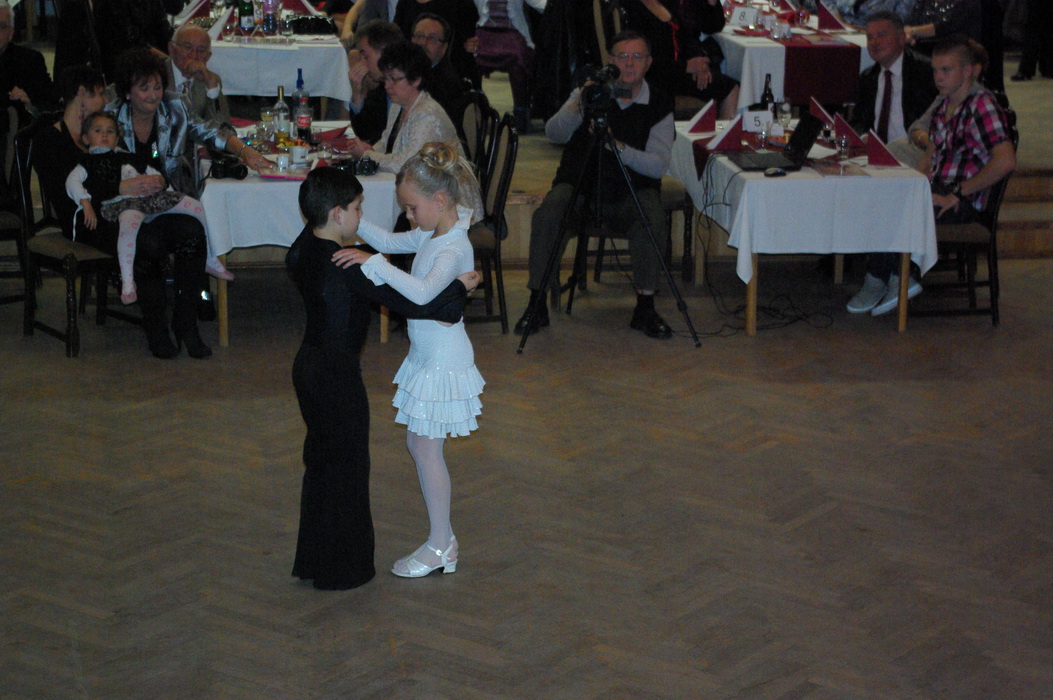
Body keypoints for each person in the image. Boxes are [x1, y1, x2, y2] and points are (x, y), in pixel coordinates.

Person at [286, 166, 479, 590]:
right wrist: (461, 288)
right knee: (348, 468)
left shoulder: (304, 249)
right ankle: (345, 569)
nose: (362, 216)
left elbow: (392, 253)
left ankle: (318, 559)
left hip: (311, 369)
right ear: (338, 214)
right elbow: (419, 304)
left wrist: (367, 251)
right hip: (338, 378)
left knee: (322, 464)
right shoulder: (350, 267)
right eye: (357, 209)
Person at [331, 143, 485, 578]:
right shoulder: (432, 233)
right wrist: (353, 220)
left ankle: (441, 545)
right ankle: (443, 540)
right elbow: (389, 240)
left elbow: (421, 295)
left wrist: (374, 264)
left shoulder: (451, 247)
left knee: (426, 449)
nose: (410, 217)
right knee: (420, 446)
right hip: (427, 355)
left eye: (413, 208)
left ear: (440, 200)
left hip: (443, 359)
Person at [104, 49, 270, 358]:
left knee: (192, 235)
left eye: (157, 87)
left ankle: (186, 323)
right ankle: (155, 327)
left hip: (168, 199)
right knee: (149, 244)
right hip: (125, 204)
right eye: (144, 89)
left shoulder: (175, 106)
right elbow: (91, 163)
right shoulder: (109, 115)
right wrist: (121, 185)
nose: (153, 95)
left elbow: (211, 131)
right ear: (127, 92)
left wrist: (245, 151)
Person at [514, 30, 675, 339]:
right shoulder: (588, 93)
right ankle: (536, 303)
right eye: (622, 56)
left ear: (648, 62)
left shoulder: (659, 103)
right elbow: (553, 133)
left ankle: (645, 306)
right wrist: (578, 104)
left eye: (637, 57)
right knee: (549, 214)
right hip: (580, 187)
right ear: (610, 60)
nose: (629, 64)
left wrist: (618, 148)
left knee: (652, 217)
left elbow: (658, 165)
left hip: (631, 190)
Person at [847, 36, 1016, 317]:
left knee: (895, 208)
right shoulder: (943, 106)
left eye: (946, 70)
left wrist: (958, 193)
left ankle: (896, 278)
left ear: (968, 71)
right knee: (883, 195)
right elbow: (930, 158)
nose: (938, 77)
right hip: (938, 189)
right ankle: (886, 277)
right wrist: (913, 184)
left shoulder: (981, 105)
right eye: (936, 70)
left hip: (964, 201)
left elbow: (1006, 161)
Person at [65, 111, 233, 306]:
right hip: (123, 204)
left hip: (149, 200)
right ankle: (128, 281)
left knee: (195, 206)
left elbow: (153, 173)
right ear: (86, 138)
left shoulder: (128, 157)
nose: (104, 134)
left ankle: (210, 257)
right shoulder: (86, 162)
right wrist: (85, 202)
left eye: (110, 131)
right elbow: (72, 182)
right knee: (128, 225)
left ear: (117, 139)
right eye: (97, 130)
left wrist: (164, 187)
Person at [342, 42, 483, 218]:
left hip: (449, 203)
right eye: (386, 79)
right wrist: (370, 149)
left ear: (416, 79)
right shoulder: (399, 104)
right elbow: (386, 141)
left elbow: (407, 165)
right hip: (423, 191)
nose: (387, 86)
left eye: (394, 79)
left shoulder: (427, 114)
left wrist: (366, 155)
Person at [618, 0, 739, 120]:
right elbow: (640, 59)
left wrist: (699, 63)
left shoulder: (667, 3)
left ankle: (725, 132)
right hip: (650, 76)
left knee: (730, 88)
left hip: (676, 72)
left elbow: (686, 36)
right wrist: (686, 66)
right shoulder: (629, 8)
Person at [850, 11, 936, 146]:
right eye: (870, 37)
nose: (874, 43)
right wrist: (865, 136)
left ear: (901, 38)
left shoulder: (926, 73)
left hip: (914, 151)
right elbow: (858, 121)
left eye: (881, 35)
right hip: (875, 152)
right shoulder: (868, 77)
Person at [465, 0, 546, 132]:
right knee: (472, 58)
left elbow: (539, 4)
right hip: (483, 33)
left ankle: (520, 112)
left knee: (518, 61)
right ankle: (476, 108)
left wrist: (558, 5)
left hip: (512, 32)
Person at [0, 1, 56, 138]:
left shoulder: (29, 60)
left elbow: (49, 104)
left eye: (1, 26)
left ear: (11, 33)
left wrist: (29, 103)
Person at [393, 0, 480, 88]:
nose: (424, 42)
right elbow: (397, 42)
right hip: (411, 75)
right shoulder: (405, 3)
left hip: (451, 78)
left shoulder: (462, 4)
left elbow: (471, 44)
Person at [347, 20, 405, 145]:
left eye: (366, 57)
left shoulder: (408, 88)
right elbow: (365, 134)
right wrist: (357, 94)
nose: (362, 63)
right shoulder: (381, 89)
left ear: (383, 53)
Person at [411, 13, 469, 128]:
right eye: (420, 36)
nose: (424, 43)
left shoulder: (448, 85)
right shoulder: (403, 73)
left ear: (444, 48)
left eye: (432, 38)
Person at [165, 23, 230, 124]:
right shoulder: (155, 75)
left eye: (201, 50)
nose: (194, 56)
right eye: (187, 47)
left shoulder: (209, 79)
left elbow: (222, 127)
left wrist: (212, 89)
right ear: (171, 49)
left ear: (208, 57)